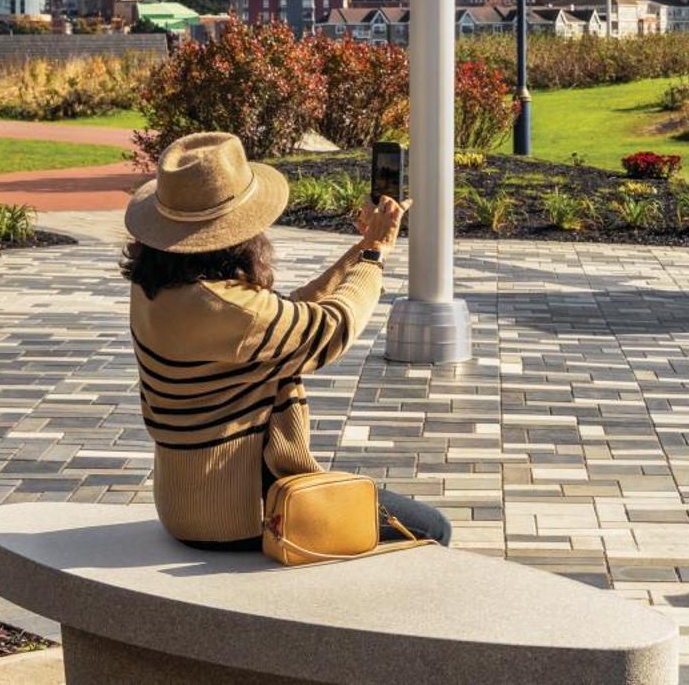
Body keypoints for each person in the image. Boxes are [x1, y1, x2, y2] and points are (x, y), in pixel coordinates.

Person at [120, 131, 451, 550]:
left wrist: (362, 249)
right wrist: (376, 253)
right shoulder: (230, 310)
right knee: (432, 529)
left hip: (185, 506)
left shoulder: (159, 290)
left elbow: (281, 316)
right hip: (247, 515)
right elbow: (333, 326)